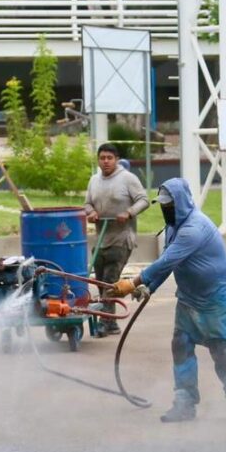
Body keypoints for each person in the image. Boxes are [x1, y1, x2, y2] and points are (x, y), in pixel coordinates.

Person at [113, 178, 226, 422]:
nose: (166, 209)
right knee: (180, 344)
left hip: (215, 301)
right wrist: (148, 287)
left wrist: (133, 282)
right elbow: (169, 263)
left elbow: (167, 260)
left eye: (170, 205)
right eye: (163, 205)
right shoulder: (173, 227)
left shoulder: (194, 228)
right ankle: (185, 402)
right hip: (188, 299)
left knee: (220, 351)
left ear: (182, 203)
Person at [84, 143, 149, 335]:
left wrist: (129, 213)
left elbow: (143, 200)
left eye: (109, 158)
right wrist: (91, 212)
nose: (105, 162)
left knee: (110, 281)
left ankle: (106, 321)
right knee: (101, 282)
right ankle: (111, 323)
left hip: (121, 238)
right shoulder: (94, 180)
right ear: (98, 160)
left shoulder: (127, 179)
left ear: (117, 160)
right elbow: (87, 203)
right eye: (102, 158)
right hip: (102, 237)